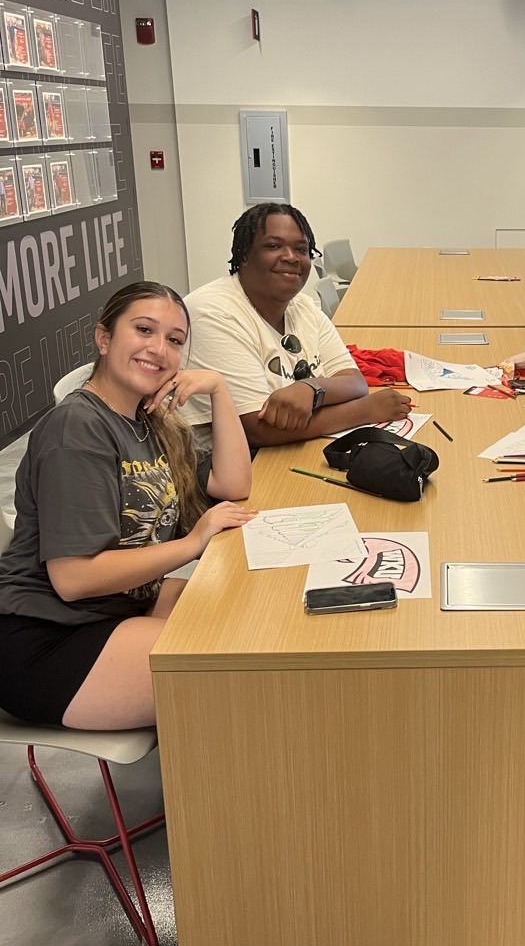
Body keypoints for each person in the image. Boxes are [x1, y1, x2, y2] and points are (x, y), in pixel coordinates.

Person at [0, 282, 254, 730]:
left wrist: (218, 389)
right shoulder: (76, 431)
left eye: (175, 340)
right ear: (104, 339)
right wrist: (194, 542)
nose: (159, 349)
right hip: (50, 637)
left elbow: (233, 483)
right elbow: (74, 579)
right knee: (237, 675)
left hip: (119, 609)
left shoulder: (148, 420)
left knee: (252, 619)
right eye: (143, 330)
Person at [182, 203, 412, 449]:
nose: (291, 257)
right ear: (245, 255)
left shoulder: (301, 306)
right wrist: (365, 411)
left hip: (283, 451)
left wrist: (311, 388)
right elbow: (255, 430)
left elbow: (354, 382)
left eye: (301, 249)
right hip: (222, 469)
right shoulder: (213, 313)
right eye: (273, 246)